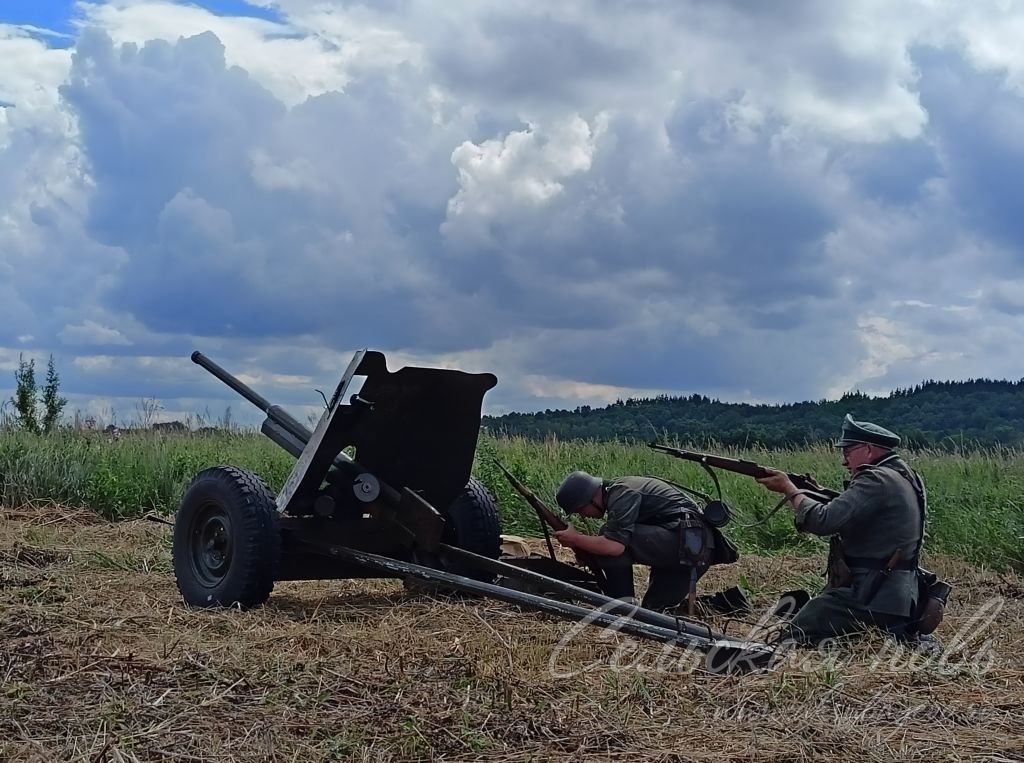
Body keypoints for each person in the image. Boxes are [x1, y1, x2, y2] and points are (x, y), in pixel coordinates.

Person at [757, 414, 926, 645]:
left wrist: (790, 490)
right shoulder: (903, 475)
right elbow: (858, 509)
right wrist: (816, 492)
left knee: (797, 630)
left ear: (867, 449)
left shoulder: (875, 478)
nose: (844, 461)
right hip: (898, 598)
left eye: (847, 452)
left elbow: (823, 521)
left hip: (873, 598)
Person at [553, 471, 736, 613]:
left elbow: (615, 547)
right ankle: (722, 604)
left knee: (608, 539)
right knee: (654, 614)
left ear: (591, 498)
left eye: (580, 510)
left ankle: (620, 608)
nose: (583, 516)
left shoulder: (622, 493)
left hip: (688, 547)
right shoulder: (621, 488)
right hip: (693, 551)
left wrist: (577, 540)